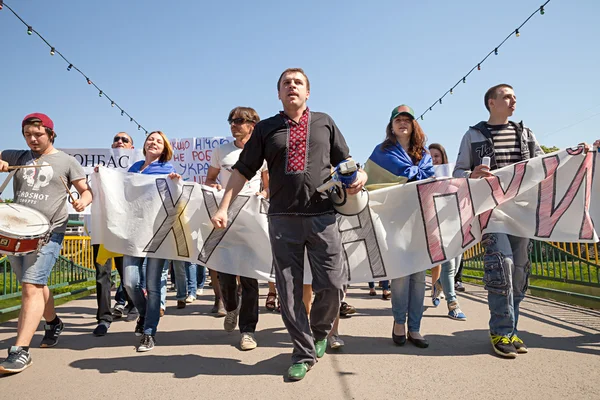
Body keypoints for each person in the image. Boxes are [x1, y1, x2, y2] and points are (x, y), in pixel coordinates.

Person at [211, 68, 367, 381]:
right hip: (282, 219)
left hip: (323, 217)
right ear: (279, 94)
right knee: (289, 291)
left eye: (298, 83)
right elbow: (243, 170)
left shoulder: (325, 122)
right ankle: (302, 353)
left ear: (308, 93)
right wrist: (224, 207)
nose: (291, 86)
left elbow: (347, 163)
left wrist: (360, 177)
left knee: (334, 285)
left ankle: (320, 332)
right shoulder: (267, 129)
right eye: (286, 83)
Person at [453, 83, 543, 358]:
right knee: (500, 267)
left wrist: (580, 153)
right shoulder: (473, 134)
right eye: (507, 96)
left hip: (523, 213)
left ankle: (512, 330)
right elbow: (459, 170)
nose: (513, 100)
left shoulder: (526, 133)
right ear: (491, 102)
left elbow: (547, 164)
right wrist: (472, 175)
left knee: (519, 272)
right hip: (492, 212)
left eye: (515, 96)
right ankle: (501, 331)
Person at [0, 113, 92, 374]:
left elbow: (86, 190)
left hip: (49, 232)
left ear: (51, 134)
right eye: (28, 134)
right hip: (18, 232)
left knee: (31, 285)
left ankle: (20, 351)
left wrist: (82, 201)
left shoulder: (67, 162)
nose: (32, 139)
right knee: (35, 286)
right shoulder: (16, 156)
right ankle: (52, 322)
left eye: (38, 134)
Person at [366, 105, 434, 349]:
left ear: (414, 124)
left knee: (418, 278)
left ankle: (415, 328)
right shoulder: (381, 152)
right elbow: (370, 183)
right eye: (398, 120)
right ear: (391, 126)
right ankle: (398, 324)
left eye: (407, 120)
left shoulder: (423, 154)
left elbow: (431, 181)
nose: (402, 123)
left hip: (420, 220)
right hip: (394, 221)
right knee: (400, 276)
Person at [205, 106, 268, 351]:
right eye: (231, 120)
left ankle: (248, 331)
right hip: (227, 217)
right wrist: (215, 187)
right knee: (227, 274)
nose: (233, 124)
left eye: (239, 120)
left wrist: (263, 194)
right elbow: (210, 179)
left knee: (250, 278)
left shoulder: (261, 152)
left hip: (251, 219)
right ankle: (231, 307)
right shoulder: (221, 151)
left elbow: (267, 186)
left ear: (252, 124)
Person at [120, 130, 181, 352]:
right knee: (130, 281)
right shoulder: (134, 168)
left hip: (158, 234)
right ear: (144, 145)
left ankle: (149, 332)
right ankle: (145, 314)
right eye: (150, 139)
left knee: (154, 286)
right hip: (135, 233)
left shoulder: (168, 169)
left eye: (158, 141)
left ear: (164, 149)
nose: (153, 142)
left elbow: (175, 197)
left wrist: (176, 183)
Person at [91, 132, 137, 336]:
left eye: (124, 140)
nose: (120, 142)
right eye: (116, 139)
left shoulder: (137, 168)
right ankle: (103, 318)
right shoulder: (99, 168)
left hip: (124, 230)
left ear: (132, 147)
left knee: (128, 275)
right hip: (102, 229)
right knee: (102, 274)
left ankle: (135, 303)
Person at [428, 143, 467, 321]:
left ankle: (438, 285)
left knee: (455, 266)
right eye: (430, 157)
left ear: (443, 157)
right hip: (437, 227)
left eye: (436, 156)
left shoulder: (453, 177)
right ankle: (453, 305)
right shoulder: (425, 179)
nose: (434, 159)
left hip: (456, 225)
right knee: (449, 265)